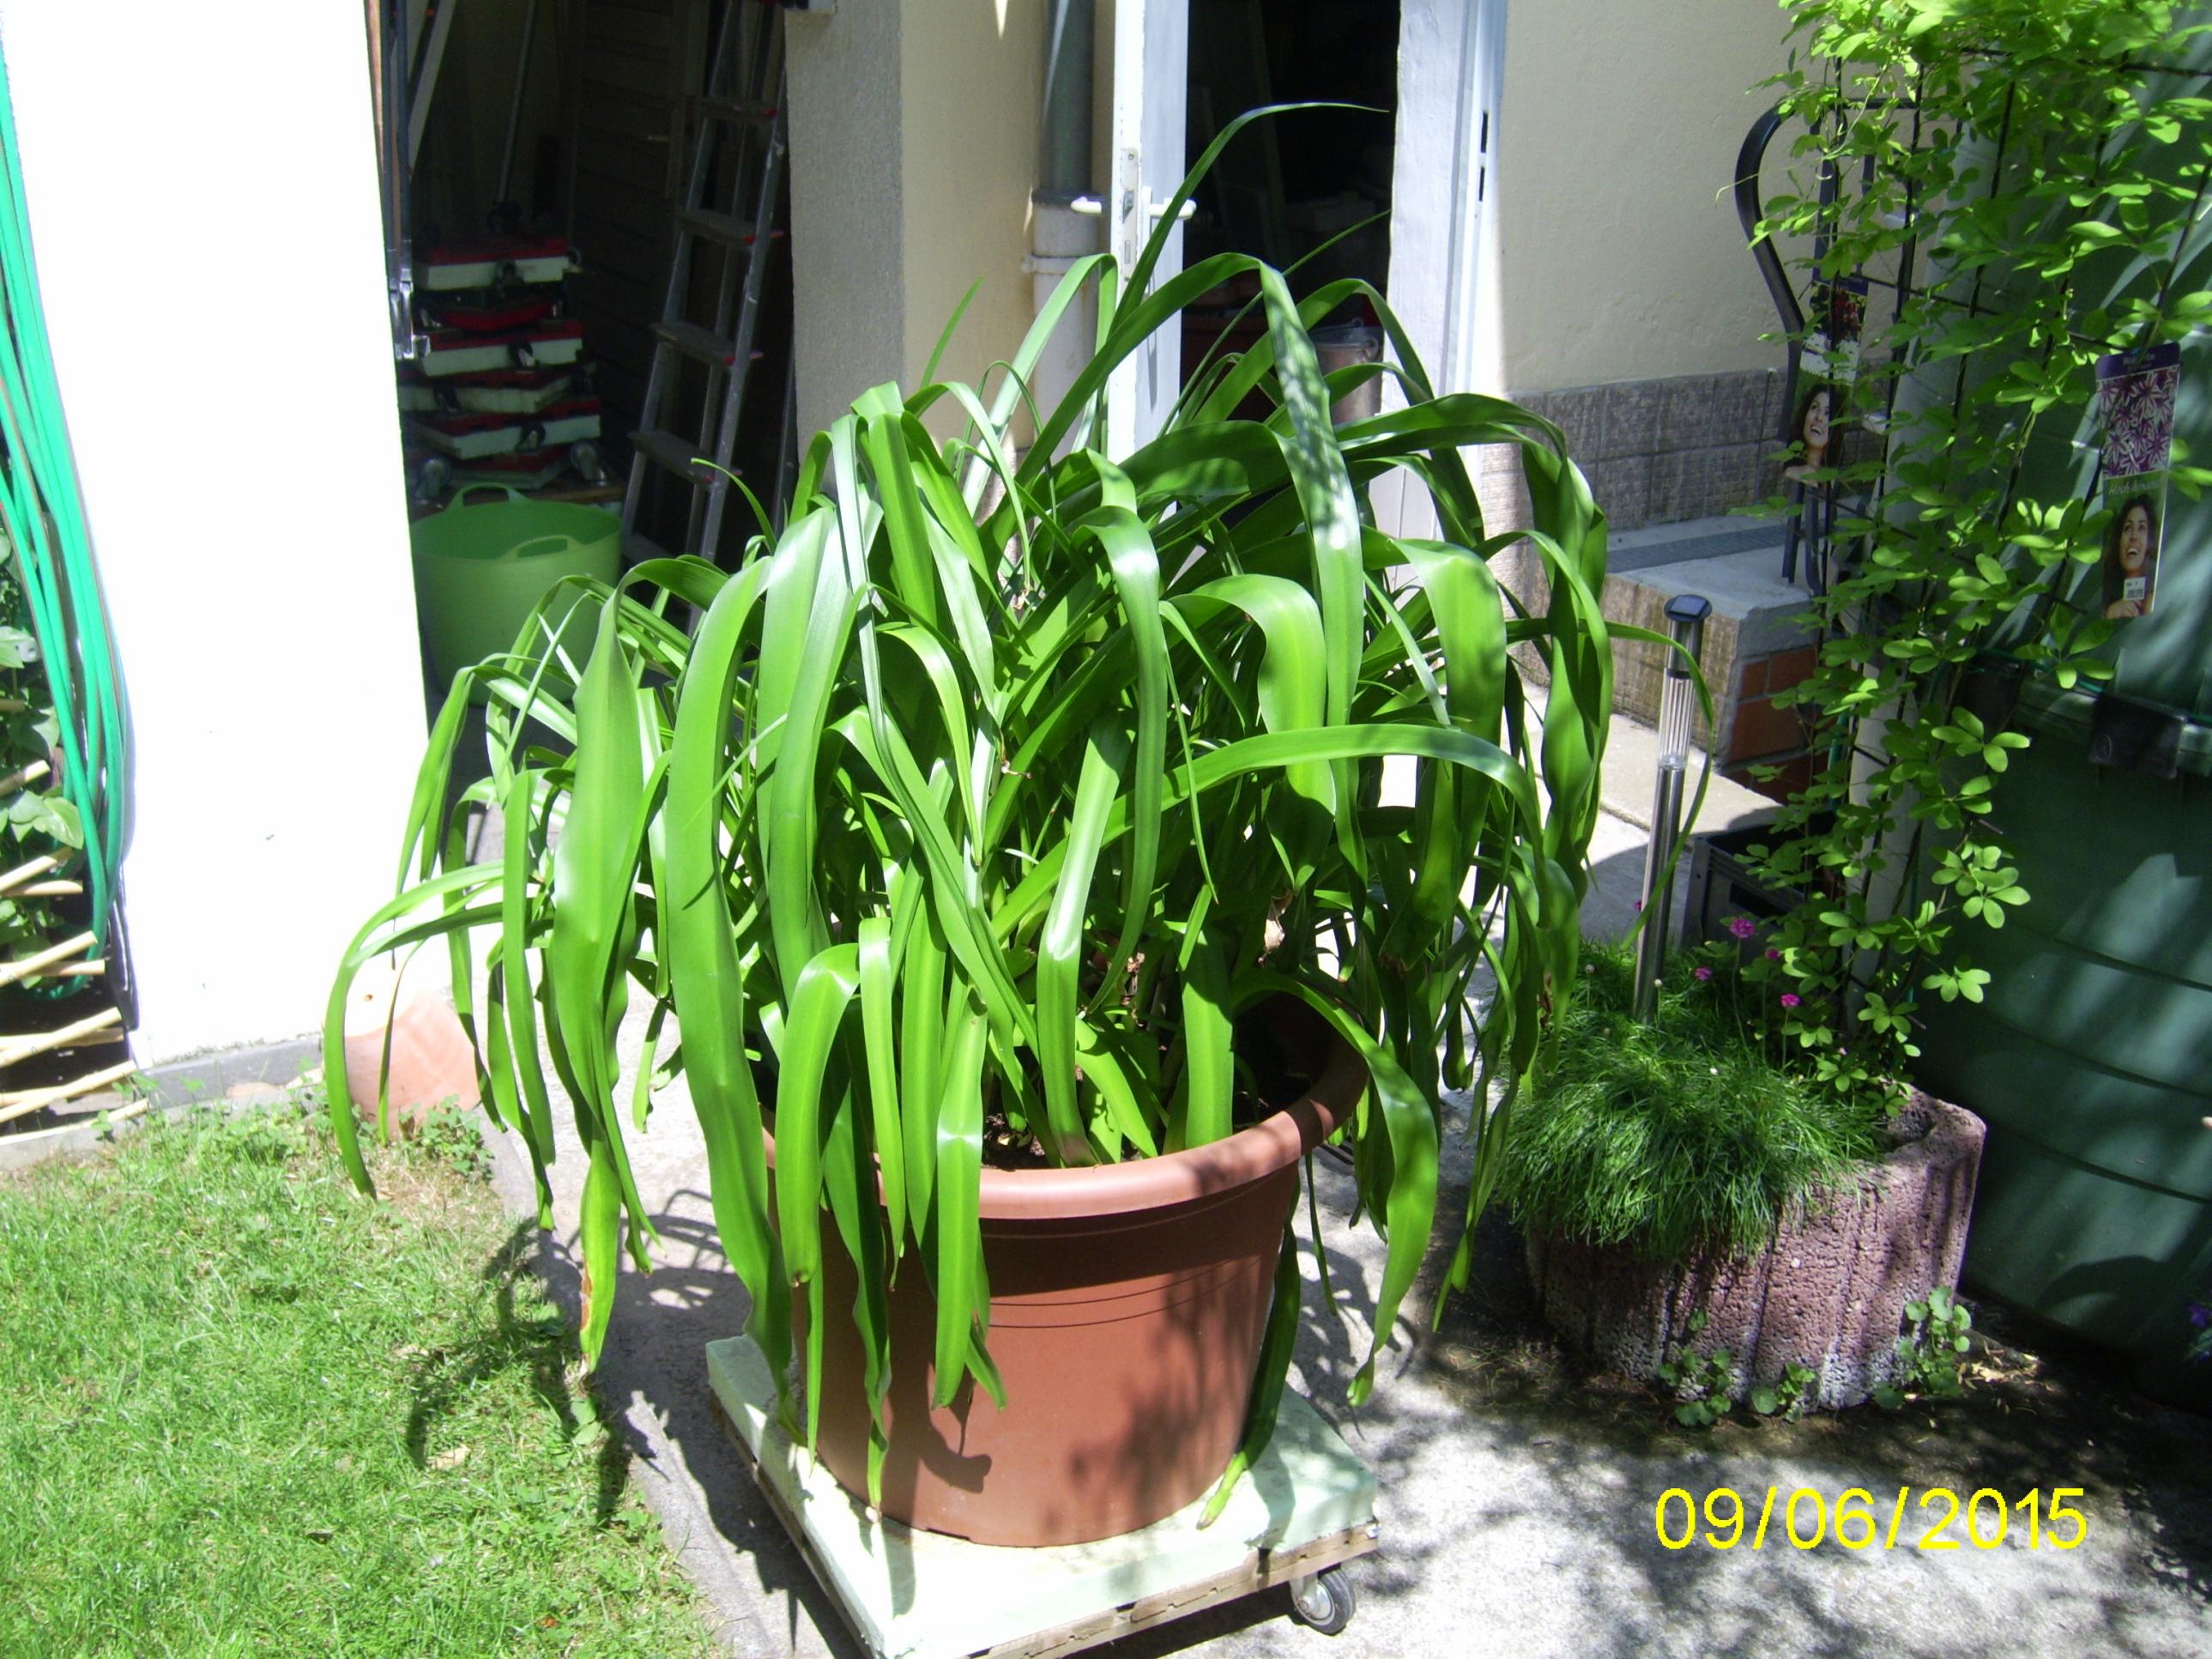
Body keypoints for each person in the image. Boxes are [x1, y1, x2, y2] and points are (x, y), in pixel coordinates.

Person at [2100, 493, 2158, 619]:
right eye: (2128, 528)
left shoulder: (2155, 597)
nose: (2134, 536)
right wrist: (2110, 613)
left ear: (2149, 542)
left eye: (2142, 528)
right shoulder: (2103, 596)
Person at [1783, 384, 1832, 482]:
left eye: (1827, 413)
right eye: (1814, 407)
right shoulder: (1790, 472)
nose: (1819, 417)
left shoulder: (1832, 480)